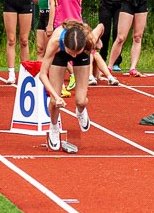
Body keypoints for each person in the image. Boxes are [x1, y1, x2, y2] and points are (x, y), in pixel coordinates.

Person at [38, 20, 107, 151]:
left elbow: (101, 26)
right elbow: (42, 75)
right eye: (71, 53)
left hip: (83, 55)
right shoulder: (55, 42)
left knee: (81, 101)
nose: (74, 56)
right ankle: (54, 127)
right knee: (54, 101)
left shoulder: (89, 39)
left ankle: (80, 111)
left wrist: (98, 41)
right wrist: (56, 96)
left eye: (76, 52)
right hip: (59, 55)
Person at [91, 0, 125, 72]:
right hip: (106, 5)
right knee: (104, 33)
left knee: (117, 33)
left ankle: (116, 62)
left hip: (120, 6)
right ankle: (102, 58)